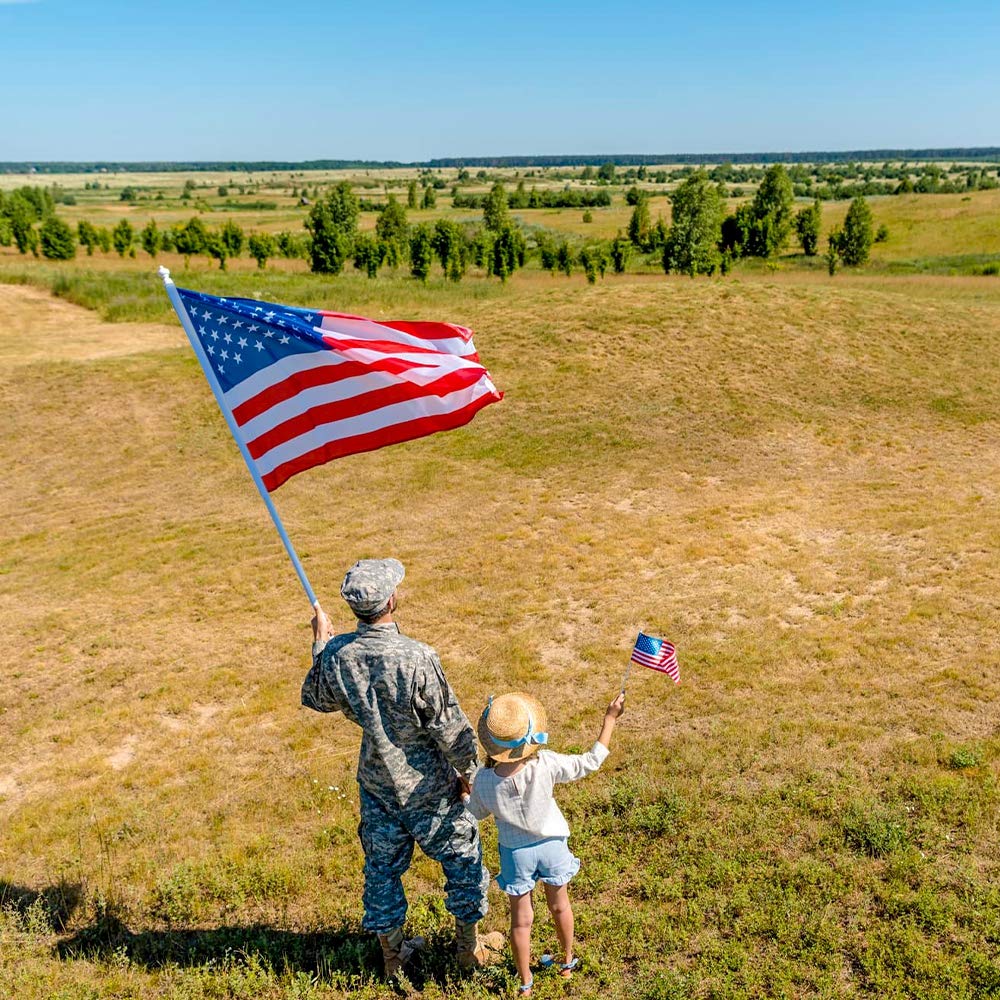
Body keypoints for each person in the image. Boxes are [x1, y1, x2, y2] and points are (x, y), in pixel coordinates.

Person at [302, 558, 503, 977]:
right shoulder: (416, 658)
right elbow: (450, 727)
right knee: (463, 859)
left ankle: (393, 956)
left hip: (377, 785)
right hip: (429, 786)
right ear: (391, 600)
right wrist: (468, 774)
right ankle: (469, 949)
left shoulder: (340, 656)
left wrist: (321, 643)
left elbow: (317, 697)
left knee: (381, 870)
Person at [465, 689, 626, 996]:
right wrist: (609, 718)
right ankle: (566, 963)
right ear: (529, 739)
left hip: (516, 854)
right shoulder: (546, 764)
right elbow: (589, 762)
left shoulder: (484, 781)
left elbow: (475, 811)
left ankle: (526, 983)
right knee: (560, 906)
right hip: (552, 845)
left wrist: (464, 793)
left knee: (521, 921)